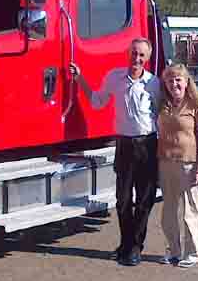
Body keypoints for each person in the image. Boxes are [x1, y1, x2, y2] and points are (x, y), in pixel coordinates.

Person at [69, 38, 161, 267]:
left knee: (144, 201)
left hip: (148, 146)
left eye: (141, 55)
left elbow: (163, 114)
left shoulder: (154, 83)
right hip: (124, 146)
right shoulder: (114, 77)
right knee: (122, 200)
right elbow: (97, 101)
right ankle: (126, 243)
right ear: (127, 53)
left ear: (147, 59)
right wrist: (80, 78)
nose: (136, 59)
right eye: (133, 53)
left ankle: (135, 248)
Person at [156, 63, 198, 268]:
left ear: (187, 81)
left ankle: (192, 253)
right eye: (170, 81)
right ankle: (174, 250)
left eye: (178, 79)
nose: (174, 84)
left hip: (189, 165)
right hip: (166, 162)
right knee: (168, 212)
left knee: (190, 210)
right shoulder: (164, 105)